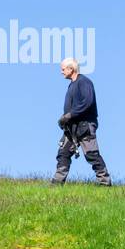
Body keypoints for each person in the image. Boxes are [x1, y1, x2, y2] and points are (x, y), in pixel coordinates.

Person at [52, 58, 111, 186]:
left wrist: (69, 115)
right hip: (72, 128)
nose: (61, 72)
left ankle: (105, 183)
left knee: (92, 155)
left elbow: (87, 102)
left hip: (85, 126)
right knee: (63, 154)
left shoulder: (84, 82)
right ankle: (56, 184)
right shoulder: (72, 85)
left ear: (71, 69)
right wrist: (65, 119)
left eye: (63, 69)